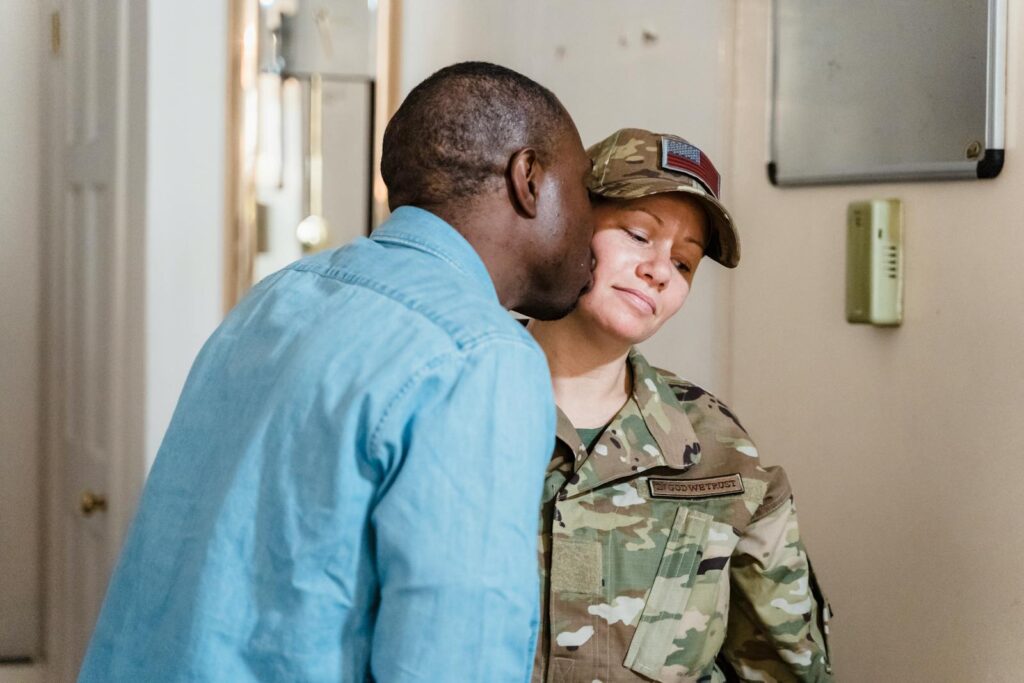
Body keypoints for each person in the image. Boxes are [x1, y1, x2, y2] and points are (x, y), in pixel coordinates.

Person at [78, 62, 594, 683]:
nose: (593, 227)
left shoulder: (277, 297)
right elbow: (452, 661)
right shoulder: (481, 355)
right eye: (586, 189)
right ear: (528, 179)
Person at [528, 128, 832, 682]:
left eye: (685, 263)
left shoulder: (717, 448)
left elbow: (788, 667)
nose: (660, 271)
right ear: (567, 221)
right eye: (639, 235)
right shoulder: (458, 397)